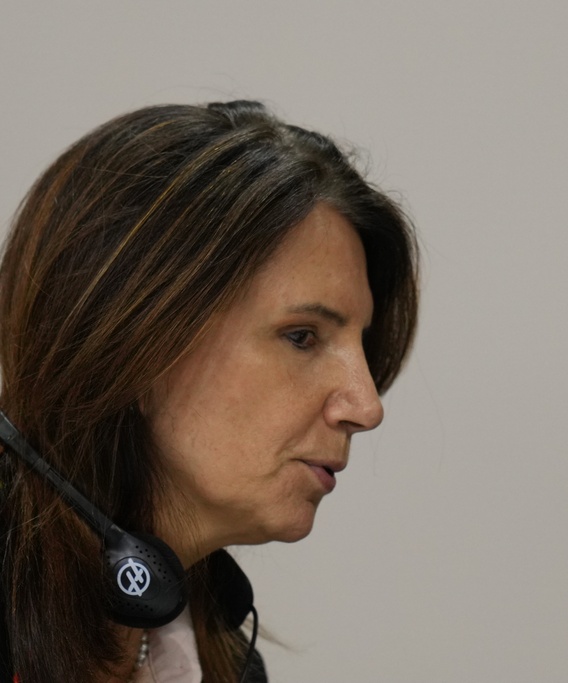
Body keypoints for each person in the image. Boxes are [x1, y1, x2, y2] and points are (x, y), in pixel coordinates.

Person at [0, 100, 418, 682]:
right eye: (302, 337)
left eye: (361, 346)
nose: (366, 406)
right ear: (134, 344)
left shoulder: (232, 668)